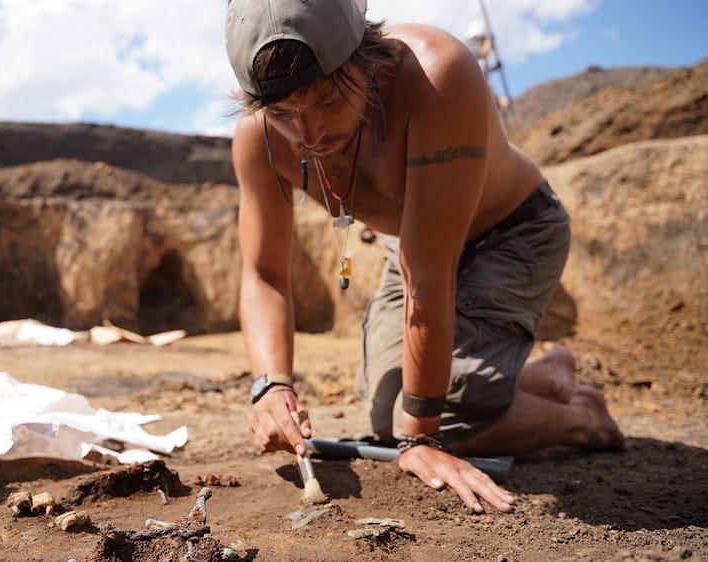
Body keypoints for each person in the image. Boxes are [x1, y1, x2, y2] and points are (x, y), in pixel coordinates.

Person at [226, 0, 625, 514]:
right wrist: (271, 384)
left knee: (439, 418)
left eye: (325, 100)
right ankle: (545, 378)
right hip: (413, 244)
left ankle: (583, 419)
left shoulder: (437, 75)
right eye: (282, 114)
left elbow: (429, 273)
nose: (309, 135)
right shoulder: (259, 138)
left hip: (512, 231)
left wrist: (423, 441)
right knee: (384, 408)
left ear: (364, 59)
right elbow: (263, 275)